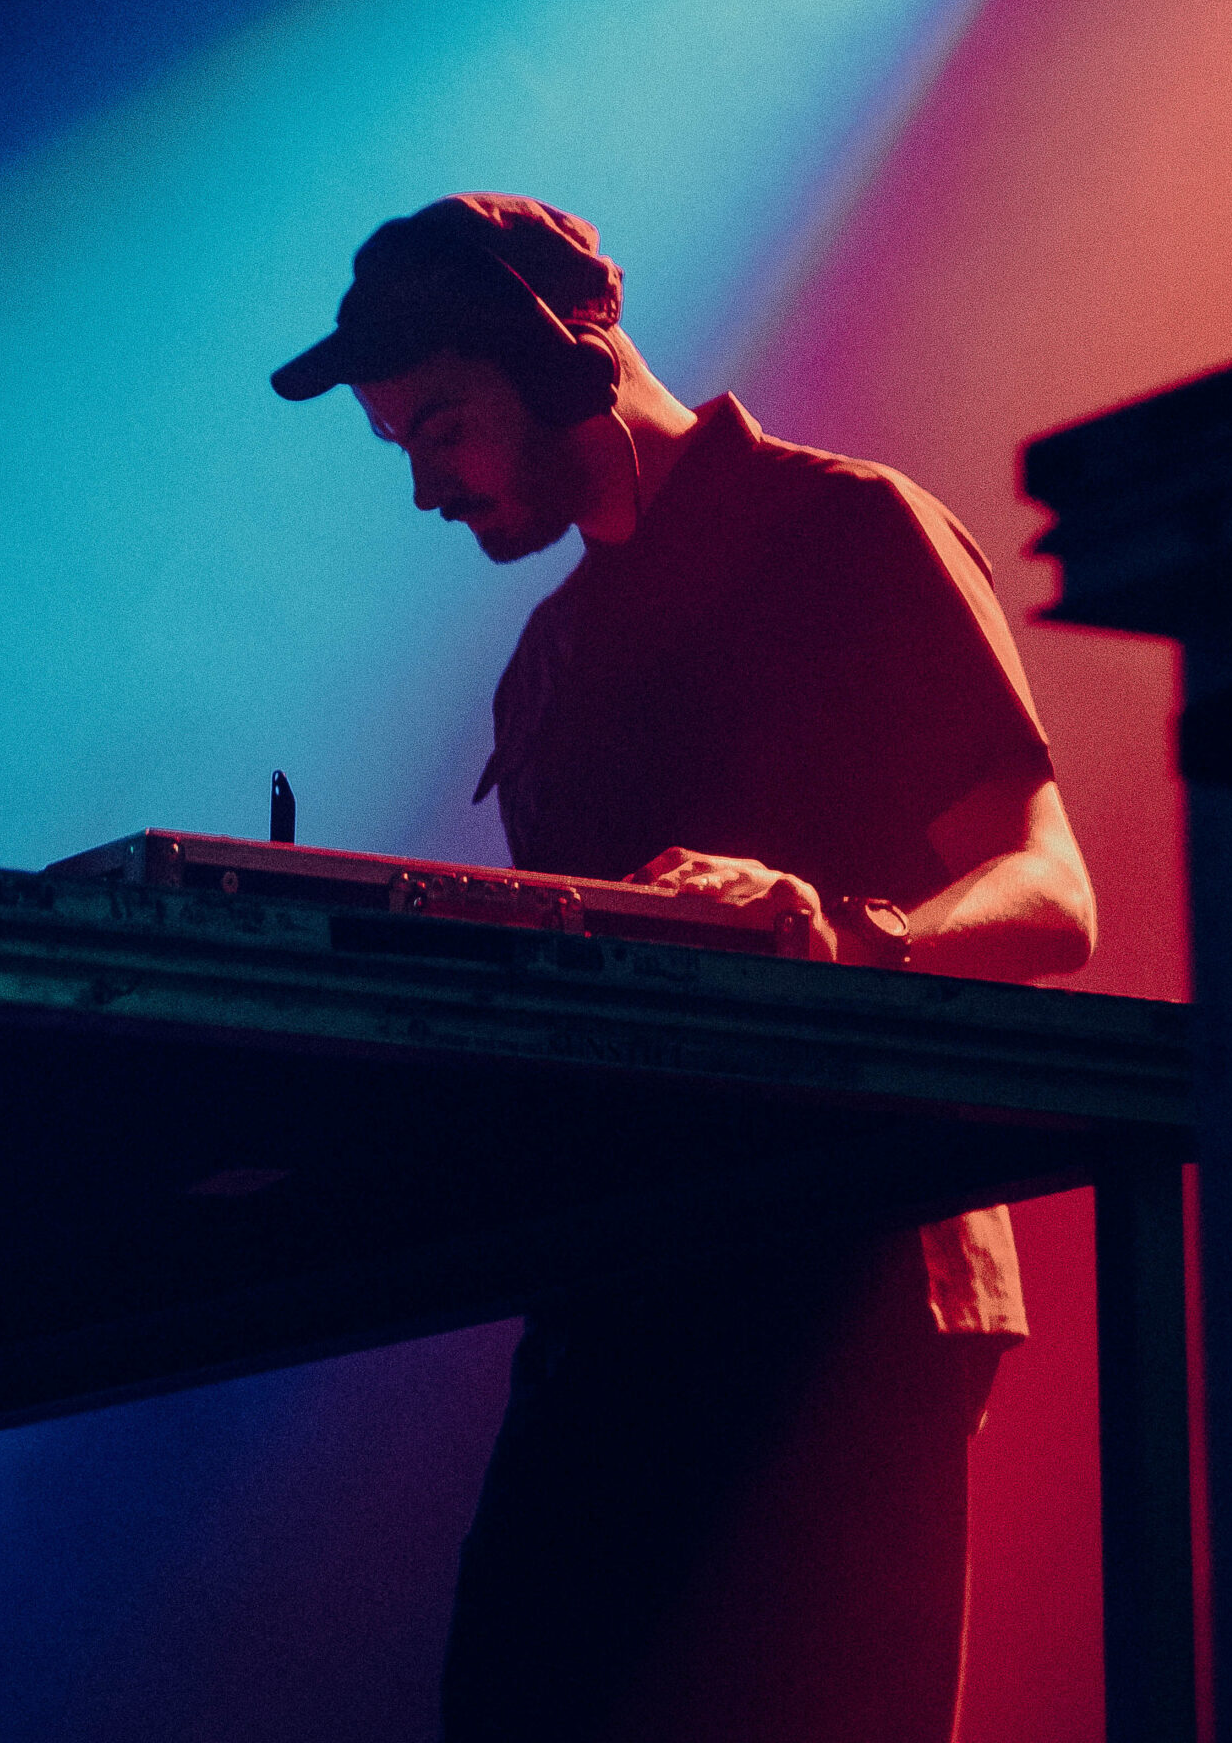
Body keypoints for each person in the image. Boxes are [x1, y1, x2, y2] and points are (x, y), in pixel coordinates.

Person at [271, 193, 1096, 1743]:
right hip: (628, 1289)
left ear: (557, 361)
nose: (426, 487)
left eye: (442, 428)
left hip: (855, 1268)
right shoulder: (545, 668)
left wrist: (841, 934)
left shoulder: (845, 530)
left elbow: (1056, 897)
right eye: (401, 449)